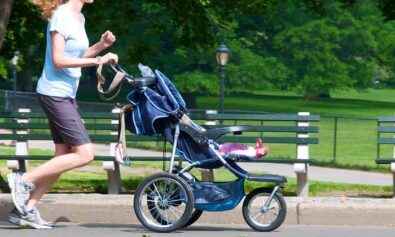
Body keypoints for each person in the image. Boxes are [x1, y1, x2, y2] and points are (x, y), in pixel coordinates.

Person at [7, 0, 118, 229]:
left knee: (63, 155)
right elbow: (59, 61)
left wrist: (99, 46)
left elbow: (75, 56)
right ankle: (23, 181)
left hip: (66, 95)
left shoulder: (80, 18)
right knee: (85, 153)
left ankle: (26, 210)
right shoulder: (61, 16)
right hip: (54, 94)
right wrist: (98, 61)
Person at [180, 114, 269, 158]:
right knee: (201, 131)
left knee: (201, 130)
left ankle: (254, 150)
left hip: (215, 148)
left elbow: (234, 152)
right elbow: (232, 153)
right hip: (214, 148)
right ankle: (254, 151)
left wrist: (223, 152)